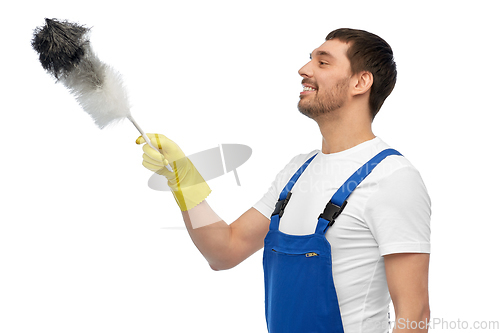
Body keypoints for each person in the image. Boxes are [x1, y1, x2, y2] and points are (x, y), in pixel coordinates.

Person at [136, 28, 431, 333]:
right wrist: (184, 181)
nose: (304, 70)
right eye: (309, 60)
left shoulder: (392, 178)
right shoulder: (297, 171)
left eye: (323, 62)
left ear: (361, 81)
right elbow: (224, 251)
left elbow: (414, 316)